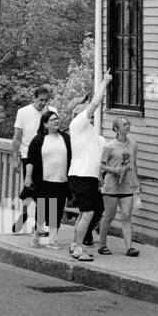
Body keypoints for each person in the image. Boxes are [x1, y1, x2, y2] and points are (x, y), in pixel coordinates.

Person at [66, 71, 112, 262]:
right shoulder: (77, 124)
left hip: (90, 177)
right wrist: (104, 82)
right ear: (78, 113)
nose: (87, 110)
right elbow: (95, 104)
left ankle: (74, 244)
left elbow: (103, 148)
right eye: (82, 108)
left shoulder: (91, 132)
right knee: (88, 212)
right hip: (80, 175)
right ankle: (78, 248)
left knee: (90, 212)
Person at [11, 86, 56, 234]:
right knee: (30, 190)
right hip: (28, 157)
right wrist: (15, 159)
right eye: (40, 100)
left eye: (45, 100)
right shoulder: (23, 112)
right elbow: (17, 137)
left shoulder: (51, 112)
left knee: (43, 193)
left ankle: (38, 226)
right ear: (34, 98)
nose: (43, 103)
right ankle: (24, 216)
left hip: (47, 158)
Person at [25, 110, 70, 249]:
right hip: (44, 180)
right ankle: (37, 235)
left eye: (57, 119)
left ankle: (52, 240)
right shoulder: (39, 139)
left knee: (57, 210)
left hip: (62, 180)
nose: (56, 121)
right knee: (43, 209)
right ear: (45, 124)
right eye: (52, 120)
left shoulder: (65, 137)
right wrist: (28, 177)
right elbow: (30, 159)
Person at [96, 116, 139, 257]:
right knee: (109, 216)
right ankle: (102, 245)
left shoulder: (133, 145)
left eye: (128, 123)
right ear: (116, 128)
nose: (127, 126)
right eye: (124, 124)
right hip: (112, 186)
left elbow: (134, 165)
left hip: (127, 186)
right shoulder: (109, 146)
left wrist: (136, 183)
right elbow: (101, 165)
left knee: (126, 216)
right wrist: (113, 170)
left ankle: (129, 247)